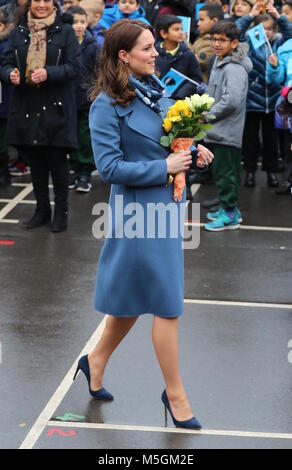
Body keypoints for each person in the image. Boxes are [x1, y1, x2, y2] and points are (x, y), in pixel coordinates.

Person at [73, 19, 213, 429]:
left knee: (131, 302)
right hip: (137, 215)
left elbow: (165, 137)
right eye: (148, 48)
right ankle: (175, 395)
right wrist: (165, 165)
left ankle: (94, 360)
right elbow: (110, 167)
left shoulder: (154, 92)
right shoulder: (105, 104)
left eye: (154, 46)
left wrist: (193, 149)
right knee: (166, 305)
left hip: (167, 209)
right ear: (123, 55)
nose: (157, 53)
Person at [1, 0, 81, 232]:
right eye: (37, 0)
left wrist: (49, 73)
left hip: (56, 106)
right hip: (27, 106)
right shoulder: (19, 31)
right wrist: (10, 74)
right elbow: (6, 62)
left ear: (54, 4)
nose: (42, 5)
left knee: (57, 162)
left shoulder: (65, 31)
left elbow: (75, 67)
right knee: (35, 162)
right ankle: (42, 210)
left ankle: (61, 212)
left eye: (47, 0)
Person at [203, 20, 252, 231]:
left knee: (226, 175)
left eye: (221, 40)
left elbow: (231, 101)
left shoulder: (234, 68)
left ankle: (230, 214)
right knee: (223, 173)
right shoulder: (220, 60)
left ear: (234, 43)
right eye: (213, 39)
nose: (216, 44)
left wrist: (209, 115)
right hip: (218, 131)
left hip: (226, 131)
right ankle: (228, 208)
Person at [237, 2, 292, 187]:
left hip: (274, 100)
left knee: (271, 141)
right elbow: (235, 32)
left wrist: (277, 14)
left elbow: (290, 32)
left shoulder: (278, 41)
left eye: (269, 28)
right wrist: (251, 15)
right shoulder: (247, 42)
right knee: (250, 140)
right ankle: (250, 172)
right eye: (262, 28)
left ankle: (271, 173)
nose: (266, 32)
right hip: (252, 99)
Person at [67, 4, 100, 192]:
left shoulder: (93, 46)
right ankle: (74, 168)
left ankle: (85, 171)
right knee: (69, 135)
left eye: (82, 22)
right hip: (67, 98)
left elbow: (98, 73)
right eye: (74, 22)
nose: (79, 26)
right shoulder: (64, 44)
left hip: (86, 100)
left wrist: (93, 92)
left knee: (85, 136)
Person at [155, 15, 202, 99]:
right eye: (176, 29)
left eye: (181, 29)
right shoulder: (155, 53)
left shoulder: (188, 54)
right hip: (158, 98)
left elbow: (195, 79)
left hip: (180, 101)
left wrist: (180, 95)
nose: (181, 32)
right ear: (164, 33)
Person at [267, 39, 292, 194]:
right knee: (288, 148)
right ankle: (289, 181)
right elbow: (276, 80)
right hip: (289, 107)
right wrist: (274, 66)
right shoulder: (286, 48)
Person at [191, 3, 224, 83]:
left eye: (202, 20)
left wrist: (183, 41)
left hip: (202, 84)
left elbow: (196, 62)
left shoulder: (213, 42)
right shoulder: (202, 36)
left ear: (214, 21)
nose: (198, 23)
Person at [0, 9, 14, 187]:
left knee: (2, 139)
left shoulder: (5, 46)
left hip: (2, 99)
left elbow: (6, 69)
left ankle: (5, 172)